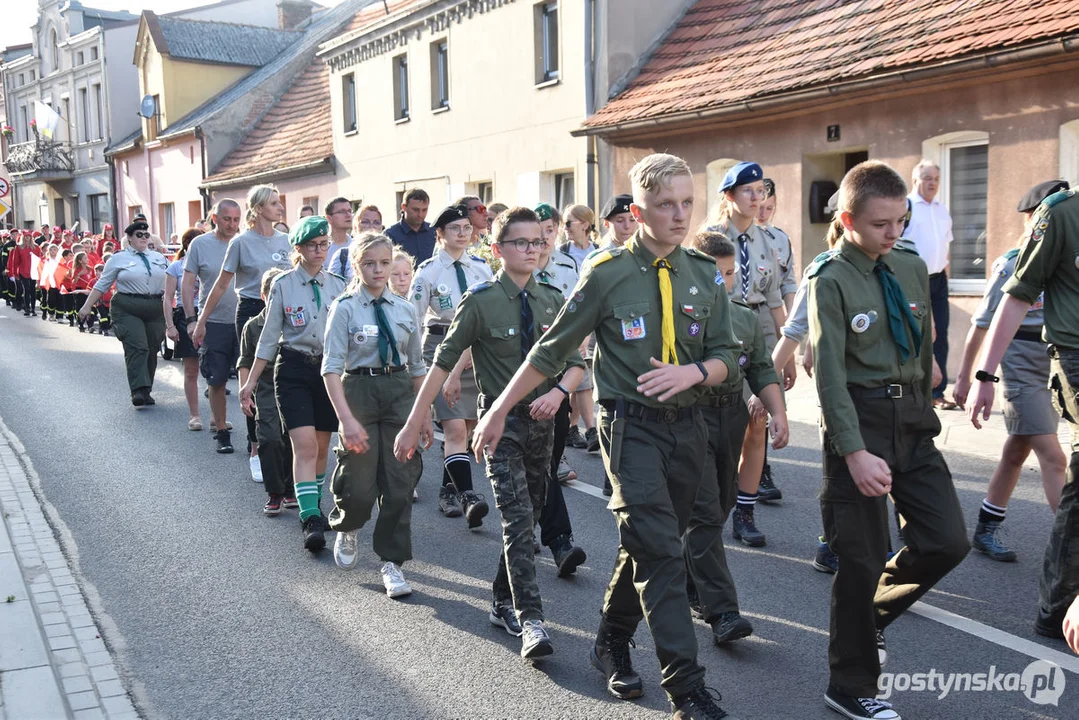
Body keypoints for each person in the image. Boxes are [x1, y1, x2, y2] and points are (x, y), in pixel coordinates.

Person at [472, 154, 741, 718]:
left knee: (644, 544)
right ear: (638, 210)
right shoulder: (607, 272)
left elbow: (726, 356)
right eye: (666, 205)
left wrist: (693, 372)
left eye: (687, 203)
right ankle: (686, 687)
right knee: (664, 552)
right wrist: (498, 407)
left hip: (689, 429)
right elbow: (552, 349)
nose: (679, 214)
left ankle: (611, 640)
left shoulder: (700, 271)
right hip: (632, 430)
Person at [809, 161, 968, 720]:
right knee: (861, 556)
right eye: (882, 224)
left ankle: (869, 617)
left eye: (901, 221)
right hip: (861, 421)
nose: (895, 233)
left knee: (949, 540)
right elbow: (827, 373)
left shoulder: (908, 263)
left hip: (912, 421)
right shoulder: (829, 278)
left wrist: (931, 386)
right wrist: (852, 451)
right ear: (849, 219)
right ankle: (850, 684)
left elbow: (921, 334)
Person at [397, 206, 586, 659]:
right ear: (498, 249)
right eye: (520, 242)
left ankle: (502, 599)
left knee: (531, 516)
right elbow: (444, 358)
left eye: (538, 242)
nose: (531, 250)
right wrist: (415, 419)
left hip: (545, 421)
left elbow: (577, 362)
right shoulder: (481, 300)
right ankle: (532, 621)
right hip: (498, 426)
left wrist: (560, 393)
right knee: (519, 521)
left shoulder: (551, 299)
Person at [968, 184, 1079, 641]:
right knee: (1054, 459)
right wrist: (980, 376)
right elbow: (1008, 302)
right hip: (1060, 357)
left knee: (1026, 457)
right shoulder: (1061, 216)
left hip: (1041, 362)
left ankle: (1056, 604)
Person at [952, 180, 1069, 562]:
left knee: (1017, 449)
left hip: (1054, 358)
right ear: (1034, 219)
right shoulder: (1012, 263)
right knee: (1054, 457)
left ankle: (986, 527)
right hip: (1018, 358)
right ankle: (1070, 548)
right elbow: (981, 324)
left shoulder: (1067, 260)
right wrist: (967, 378)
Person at [686, 229, 788, 645]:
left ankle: (691, 577)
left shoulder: (744, 317)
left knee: (722, 504)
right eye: (715, 274)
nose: (723, 282)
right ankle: (723, 612)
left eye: (729, 274)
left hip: (730, 416)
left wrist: (777, 410)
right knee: (707, 512)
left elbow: (761, 368)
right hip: (689, 419)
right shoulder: (682, 318)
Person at [323, 233, 428, 597]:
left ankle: (392, 562)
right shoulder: (345, 307)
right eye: (370, 263)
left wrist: (423, 415)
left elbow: (417, 366)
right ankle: (349, 526)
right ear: (356, 266)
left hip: (398, 392)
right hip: (359, 394)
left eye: (384, 263)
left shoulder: (405, 308)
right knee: (358, 482)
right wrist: (346, 420)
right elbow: (331, 368)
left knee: (401, 479)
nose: (378, 270)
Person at [239, 216, 346, 552]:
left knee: (321, 446)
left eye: (323, 244)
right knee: (304, 446)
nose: (319, 250)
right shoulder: (284, 285)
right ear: (298, 249)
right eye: (312, 245)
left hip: (329, 372)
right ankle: (310, 517)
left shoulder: (340, 285)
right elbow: (269, 338)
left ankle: (311, 500)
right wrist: (250, 383)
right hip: (294, 368)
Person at [708, 161, 787, 543]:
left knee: (757, 422)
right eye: (748, 192)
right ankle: (712, 504)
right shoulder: (708, 239)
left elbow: (773, 299)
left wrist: (783, 353)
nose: (757, 199)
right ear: (729, 196)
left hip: (758, 332)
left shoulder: (767, 240)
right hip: (719, 334)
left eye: (761, 192)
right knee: (723, 428)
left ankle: (745, 511)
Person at [195, 186, 290, 477]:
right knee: (254, 378)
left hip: (286, 311)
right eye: (274, 203)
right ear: (259, 208)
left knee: (284, 377)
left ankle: (284, 442)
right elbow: (221, 285)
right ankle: (255, 444)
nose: (280, 208)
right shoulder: (240, 242)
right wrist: (201, 321)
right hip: (251, 310)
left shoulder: (287, 240)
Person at [410, 204, 493, 527]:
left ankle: (448, 488)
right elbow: (414, 320)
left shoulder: (481, 268)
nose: (463, 234)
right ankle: (470, 497)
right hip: (441, 348)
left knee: (469, 427)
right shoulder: (428, 271)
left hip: (475, 350)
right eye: (455, 228)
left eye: (466, 228)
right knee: (456, 427)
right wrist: (415, 366)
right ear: (440, 234)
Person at [532, 203, 588, 574]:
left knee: (545, 469)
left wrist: (563, 389)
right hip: (515, 395)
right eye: (526, 241)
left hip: (557, 387)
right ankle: (560, 541)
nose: (537, 245)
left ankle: (542, 534)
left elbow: (580, 321)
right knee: (535, 471)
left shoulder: (565, 274)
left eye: (544, 234)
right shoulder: (490, 289)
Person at [78, 221, 171, 407]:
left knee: (152, 348)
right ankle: (137, 390)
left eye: (147, 235)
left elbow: (172, 282)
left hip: (154, 306)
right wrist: (87, 306)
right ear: (129, 238)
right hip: (128, 306)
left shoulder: (159, 258)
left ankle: (146, 389)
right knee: (138, 346)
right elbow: (102, 284)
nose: (144, 238)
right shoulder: (118, 258)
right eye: (139, 235)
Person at [238, 268, 298, 516]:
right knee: (270, 438)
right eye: (272, 293)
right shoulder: (253, 326)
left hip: (293, 385)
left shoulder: (296, 321)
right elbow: (245, 361)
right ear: (263, 296)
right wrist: (246, 394)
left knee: (292, 439)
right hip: (265, 389)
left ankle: (291, 489)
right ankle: (274, 492)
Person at [184, 200, 242, 455]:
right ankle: (221, 431)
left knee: (250, 380)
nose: (232, 224)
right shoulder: (200, 244)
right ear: (215, 219)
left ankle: (257, 435)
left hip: (245, 320)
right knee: (216, 379)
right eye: (227, 219)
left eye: (236, 219)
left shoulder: (244, 242)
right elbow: (187, 284)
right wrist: (192, 319)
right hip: (215, 322)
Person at [906, 160, 956, 409]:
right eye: (927, 177)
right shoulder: (906, 208)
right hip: (914, 280)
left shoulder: (941, 209)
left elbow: (944, 245)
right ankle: (915, 387)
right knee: (919, 333)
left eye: (936, 178)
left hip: (938, 279)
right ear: (916, 180)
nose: (932, 183)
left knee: (941, 334)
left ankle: (937, 391)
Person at [165, 229, 203, 428]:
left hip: (208, 313)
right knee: (191, 369)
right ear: (187, 244)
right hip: (185, 315)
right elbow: (168, 298)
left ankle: (218, 417)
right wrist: (170, 326)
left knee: (215, 368)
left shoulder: (208, 264)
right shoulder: (176, 267)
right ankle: (194, 415)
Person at [330, 204, 383, 280]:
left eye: (376, 222)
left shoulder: (390, 255)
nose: (371, 226)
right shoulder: (343, 256)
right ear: (355, 226)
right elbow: (332, 286)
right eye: (365, 222)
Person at [386, 188, 437, 264]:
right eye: (415, 210)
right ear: (404, 207)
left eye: (424, 210)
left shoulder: (435, 232)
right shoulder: (390, 235)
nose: (420, 214)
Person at [323, 197, 353, 270]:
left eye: (350, 211)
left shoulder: (355, 245)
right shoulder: (321, 248)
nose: (348, 215)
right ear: (329, 218)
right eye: (342, 212)